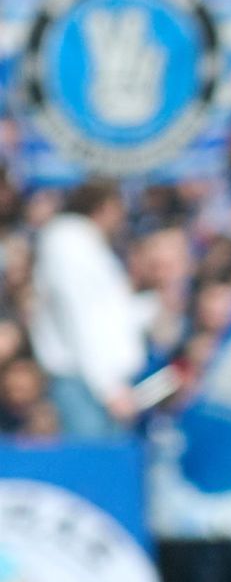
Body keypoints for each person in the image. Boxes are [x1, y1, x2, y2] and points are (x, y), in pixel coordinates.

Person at [29, 181, 150, 436]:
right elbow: (80, 318)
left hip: (100, 383)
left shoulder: (86, 245)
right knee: (93, 469)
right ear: (106, 207)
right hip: (86, 385)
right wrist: (109, 387)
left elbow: (111, 314)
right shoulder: (68, 244)